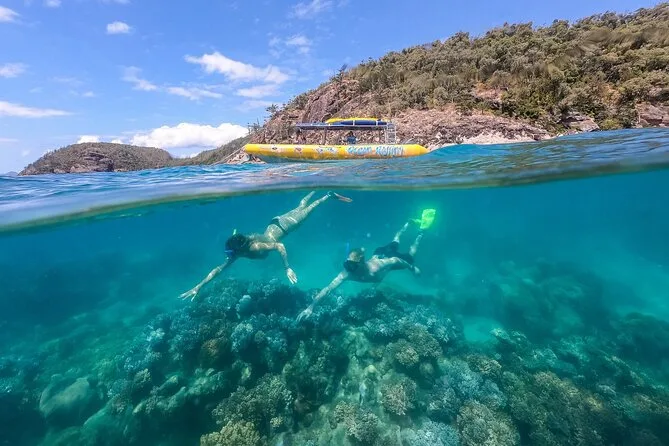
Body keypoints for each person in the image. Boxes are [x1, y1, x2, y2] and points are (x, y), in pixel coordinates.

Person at [179, 190, 353, 302]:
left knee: (308, 210)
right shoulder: (239, 247)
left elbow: (280, 246)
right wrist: (199, 286)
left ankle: (327, 195)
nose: (230, 256)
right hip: (274, 222)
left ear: (239, 249)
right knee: (300, 207)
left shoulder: (254, 248)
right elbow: (220, 268)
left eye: (231, 252)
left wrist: (287, 268)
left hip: (285, 227)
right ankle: (314, 188)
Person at [296, 210, 435, 322]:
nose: (348, 268)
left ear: (361, 263)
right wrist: (311, 307)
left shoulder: (376, 267)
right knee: (394, 240)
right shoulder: (347, 273)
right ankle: (406, 226)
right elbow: (328, 289)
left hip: (387, 259)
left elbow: (395, 260)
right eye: (347, 264)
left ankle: (420, 233)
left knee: (410, 255)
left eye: (352, 265)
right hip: (378, 252)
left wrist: (412, 268)